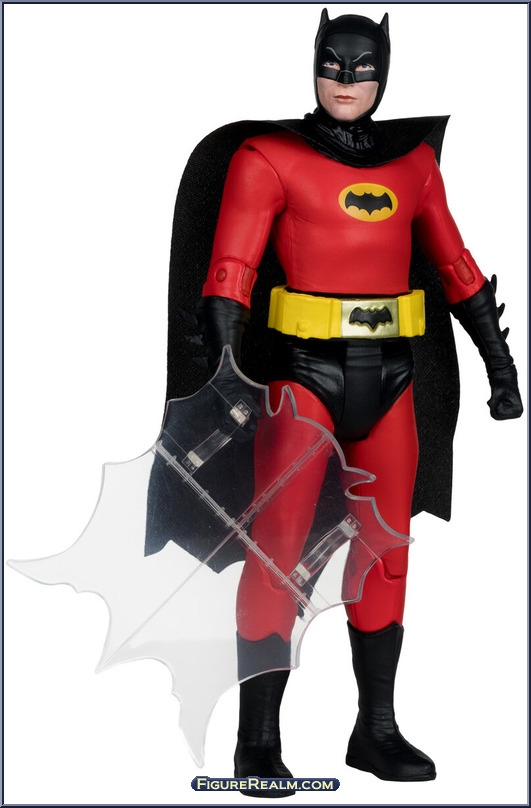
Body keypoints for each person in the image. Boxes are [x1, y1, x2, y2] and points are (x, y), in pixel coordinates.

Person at [168, 9, 522, 789]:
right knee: (277, 552)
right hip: (302, 377)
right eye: (333, 64)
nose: (346, 81)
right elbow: (229, 273)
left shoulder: (413, 166)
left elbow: (457, 269)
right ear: (313, 63)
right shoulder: (268, 157)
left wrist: (499, 367)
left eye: (363, 68)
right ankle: (257, 741)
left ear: (384, 72)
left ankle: (376, 728)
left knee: (386, 553)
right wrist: (218, 376)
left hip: (391, 378)